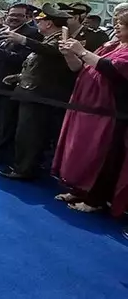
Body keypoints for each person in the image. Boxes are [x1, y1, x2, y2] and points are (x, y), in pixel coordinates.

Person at [52, 12, 128, 214]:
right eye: (117, 23)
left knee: (100, 155)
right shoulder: (110, 46)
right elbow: (81, 67)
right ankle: (79, 189)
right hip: (84, 106)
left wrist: (82, 50)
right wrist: (70, 53)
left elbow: (112, 69)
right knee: (80, 149)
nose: (117, 27)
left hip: (108, 111)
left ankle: (96, 199)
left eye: (123, 24)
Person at [0, 4, 78, 180]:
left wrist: (23, 40)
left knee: (29, 134)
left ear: (49, 23)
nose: (37, 23)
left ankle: (24, 169)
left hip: (40, 96)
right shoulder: (48, 40)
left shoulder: (60, 41)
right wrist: (19, 76)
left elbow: (50, 52)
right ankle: (25, 166)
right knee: (27, 133)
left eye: (40, 20)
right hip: (32, 92)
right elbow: (41, 68)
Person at [0, 3, 42, 163]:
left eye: (19, 15)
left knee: (5, 121)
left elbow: (23, 60)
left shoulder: (31, 35)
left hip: (9, 84)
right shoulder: (2, 32)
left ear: (27, 17)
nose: (14, 18)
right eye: (12, 14)